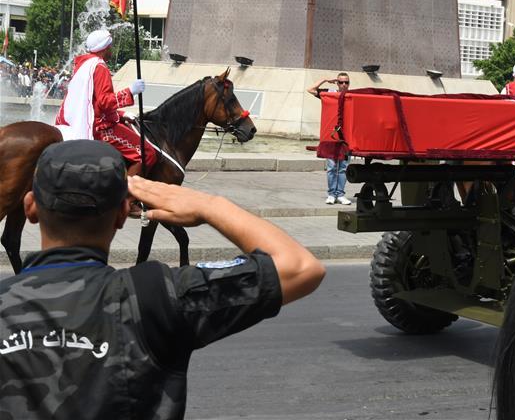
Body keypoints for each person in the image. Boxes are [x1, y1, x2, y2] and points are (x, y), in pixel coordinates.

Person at [0, 140, 326, 419]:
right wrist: (208, 205)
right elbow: (300, 267)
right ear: (121, 215)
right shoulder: (156, 297)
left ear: (30, 208)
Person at [55, 28, 156, 175]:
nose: (111, 49)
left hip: (82, 121)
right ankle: (126, 190)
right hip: (100, 128)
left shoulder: (83, 64)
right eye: (110, 46)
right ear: (105, 48)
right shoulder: (100, 67)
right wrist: (130, 91)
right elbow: (104, 102)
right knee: (147, 153)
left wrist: (120, 114)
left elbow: (92, 103)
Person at [307, 72, 353, 204]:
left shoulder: (352, 96)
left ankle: (340, 195)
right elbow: (310, 89)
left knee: (343, 168)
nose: (343, 85)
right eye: (341, 82)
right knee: (332, 167)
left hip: (346, 138)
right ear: (337, 83)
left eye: (346, 82)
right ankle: (332, 194)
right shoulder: (329, 93)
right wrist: (325, 79)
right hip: (331, 137)